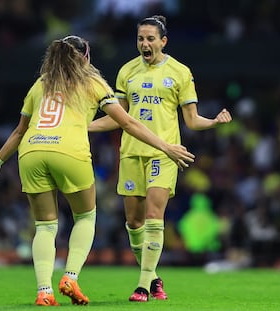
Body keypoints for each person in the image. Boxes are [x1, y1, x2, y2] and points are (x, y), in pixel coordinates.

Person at [0, 35, 195, 306]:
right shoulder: (91, 82)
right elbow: (128, 122)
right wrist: (165, 146)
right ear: (85, 58)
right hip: (69, 152)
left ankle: (44, 291)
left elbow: (20, 130)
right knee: (85, 217)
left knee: (45, 226)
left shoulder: (41, 83)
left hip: (32, 152)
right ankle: (70, 276)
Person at [88, 15, 232, 302]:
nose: (145, 43)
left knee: (154, 217)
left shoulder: (180, 72)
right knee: (133, 222)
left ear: (163, 41)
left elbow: (191, 120)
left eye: (150, 38)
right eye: (141, 38)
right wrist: (82, 125)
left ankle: (142, 286)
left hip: (164, 153)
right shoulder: (126, 71)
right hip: (131, 153)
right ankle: (154, 278)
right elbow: (117, 119)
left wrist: (214, 122)